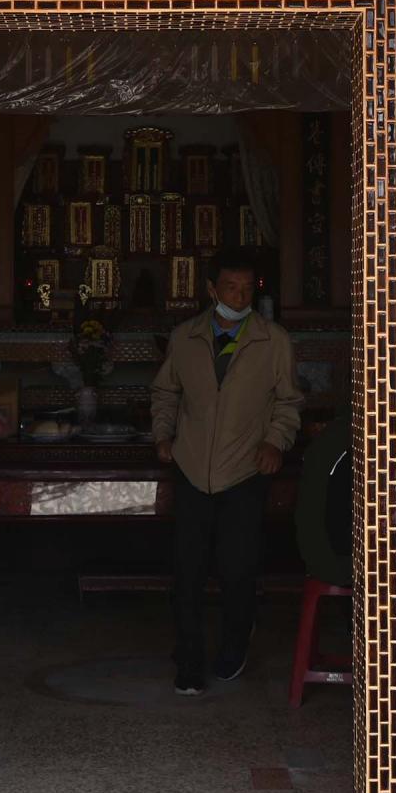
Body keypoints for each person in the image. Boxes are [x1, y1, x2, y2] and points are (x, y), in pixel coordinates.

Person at [150, 250, 304, 695]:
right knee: (188, 571)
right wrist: (163, 435)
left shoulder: (272, 340)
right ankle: (188, 661)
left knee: (237, 568)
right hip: (191, 468)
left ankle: (235, 645)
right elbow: (165, 392)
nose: (239, 296)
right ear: (211, 289)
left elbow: (289, 401)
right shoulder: (186, 337)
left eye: (247, 288)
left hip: (244, 472)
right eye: (231, 287)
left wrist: (275, 441)